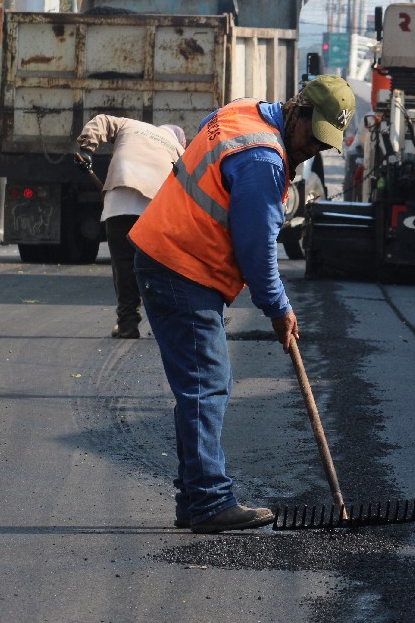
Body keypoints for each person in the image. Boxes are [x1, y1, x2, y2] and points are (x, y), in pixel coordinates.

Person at [128, 75, 355, 533]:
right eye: (313, 136)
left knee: (202, 384)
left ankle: (195, 500)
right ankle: (210, 501)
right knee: (206, 384)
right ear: (299, 111)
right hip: (181, 266)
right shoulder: (264, 163)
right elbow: (257, 252)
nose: (313, 148)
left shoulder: (243, 111)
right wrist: (279, 309)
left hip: (168, 255)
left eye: (324, 145)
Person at [75, 116, 186, 339]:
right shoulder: (178, 149)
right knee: (159, 267)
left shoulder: (132, 125)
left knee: (124, 265)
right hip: (157, 205)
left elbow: (102, 121)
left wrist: (86, 149)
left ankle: (127, 323)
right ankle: (166, 324)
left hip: (120, 196)